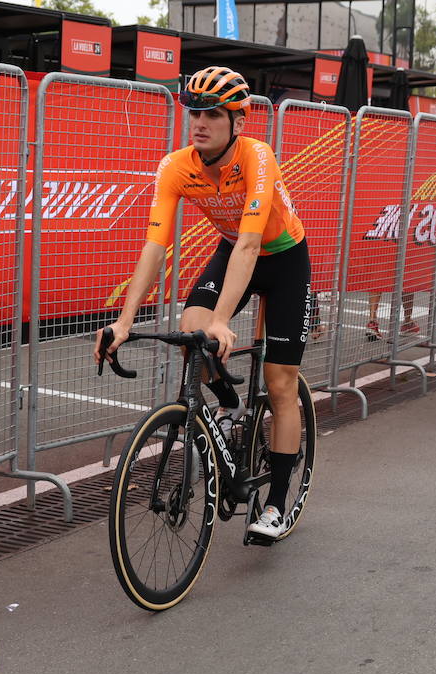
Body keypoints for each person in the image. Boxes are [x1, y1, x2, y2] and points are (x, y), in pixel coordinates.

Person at [94, 67, 313, 540]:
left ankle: (275, 503)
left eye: (214, 113)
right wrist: (126, 321)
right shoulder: (177, 166)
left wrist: (222, 321)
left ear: (238, 121)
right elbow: (154, 247)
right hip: (230, 248)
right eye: (195, 112)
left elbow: (252, 247)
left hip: (282, 258)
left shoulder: (258, 156)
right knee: (190, 332)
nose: (200, 122)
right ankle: (227, 398)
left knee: (279, 383)